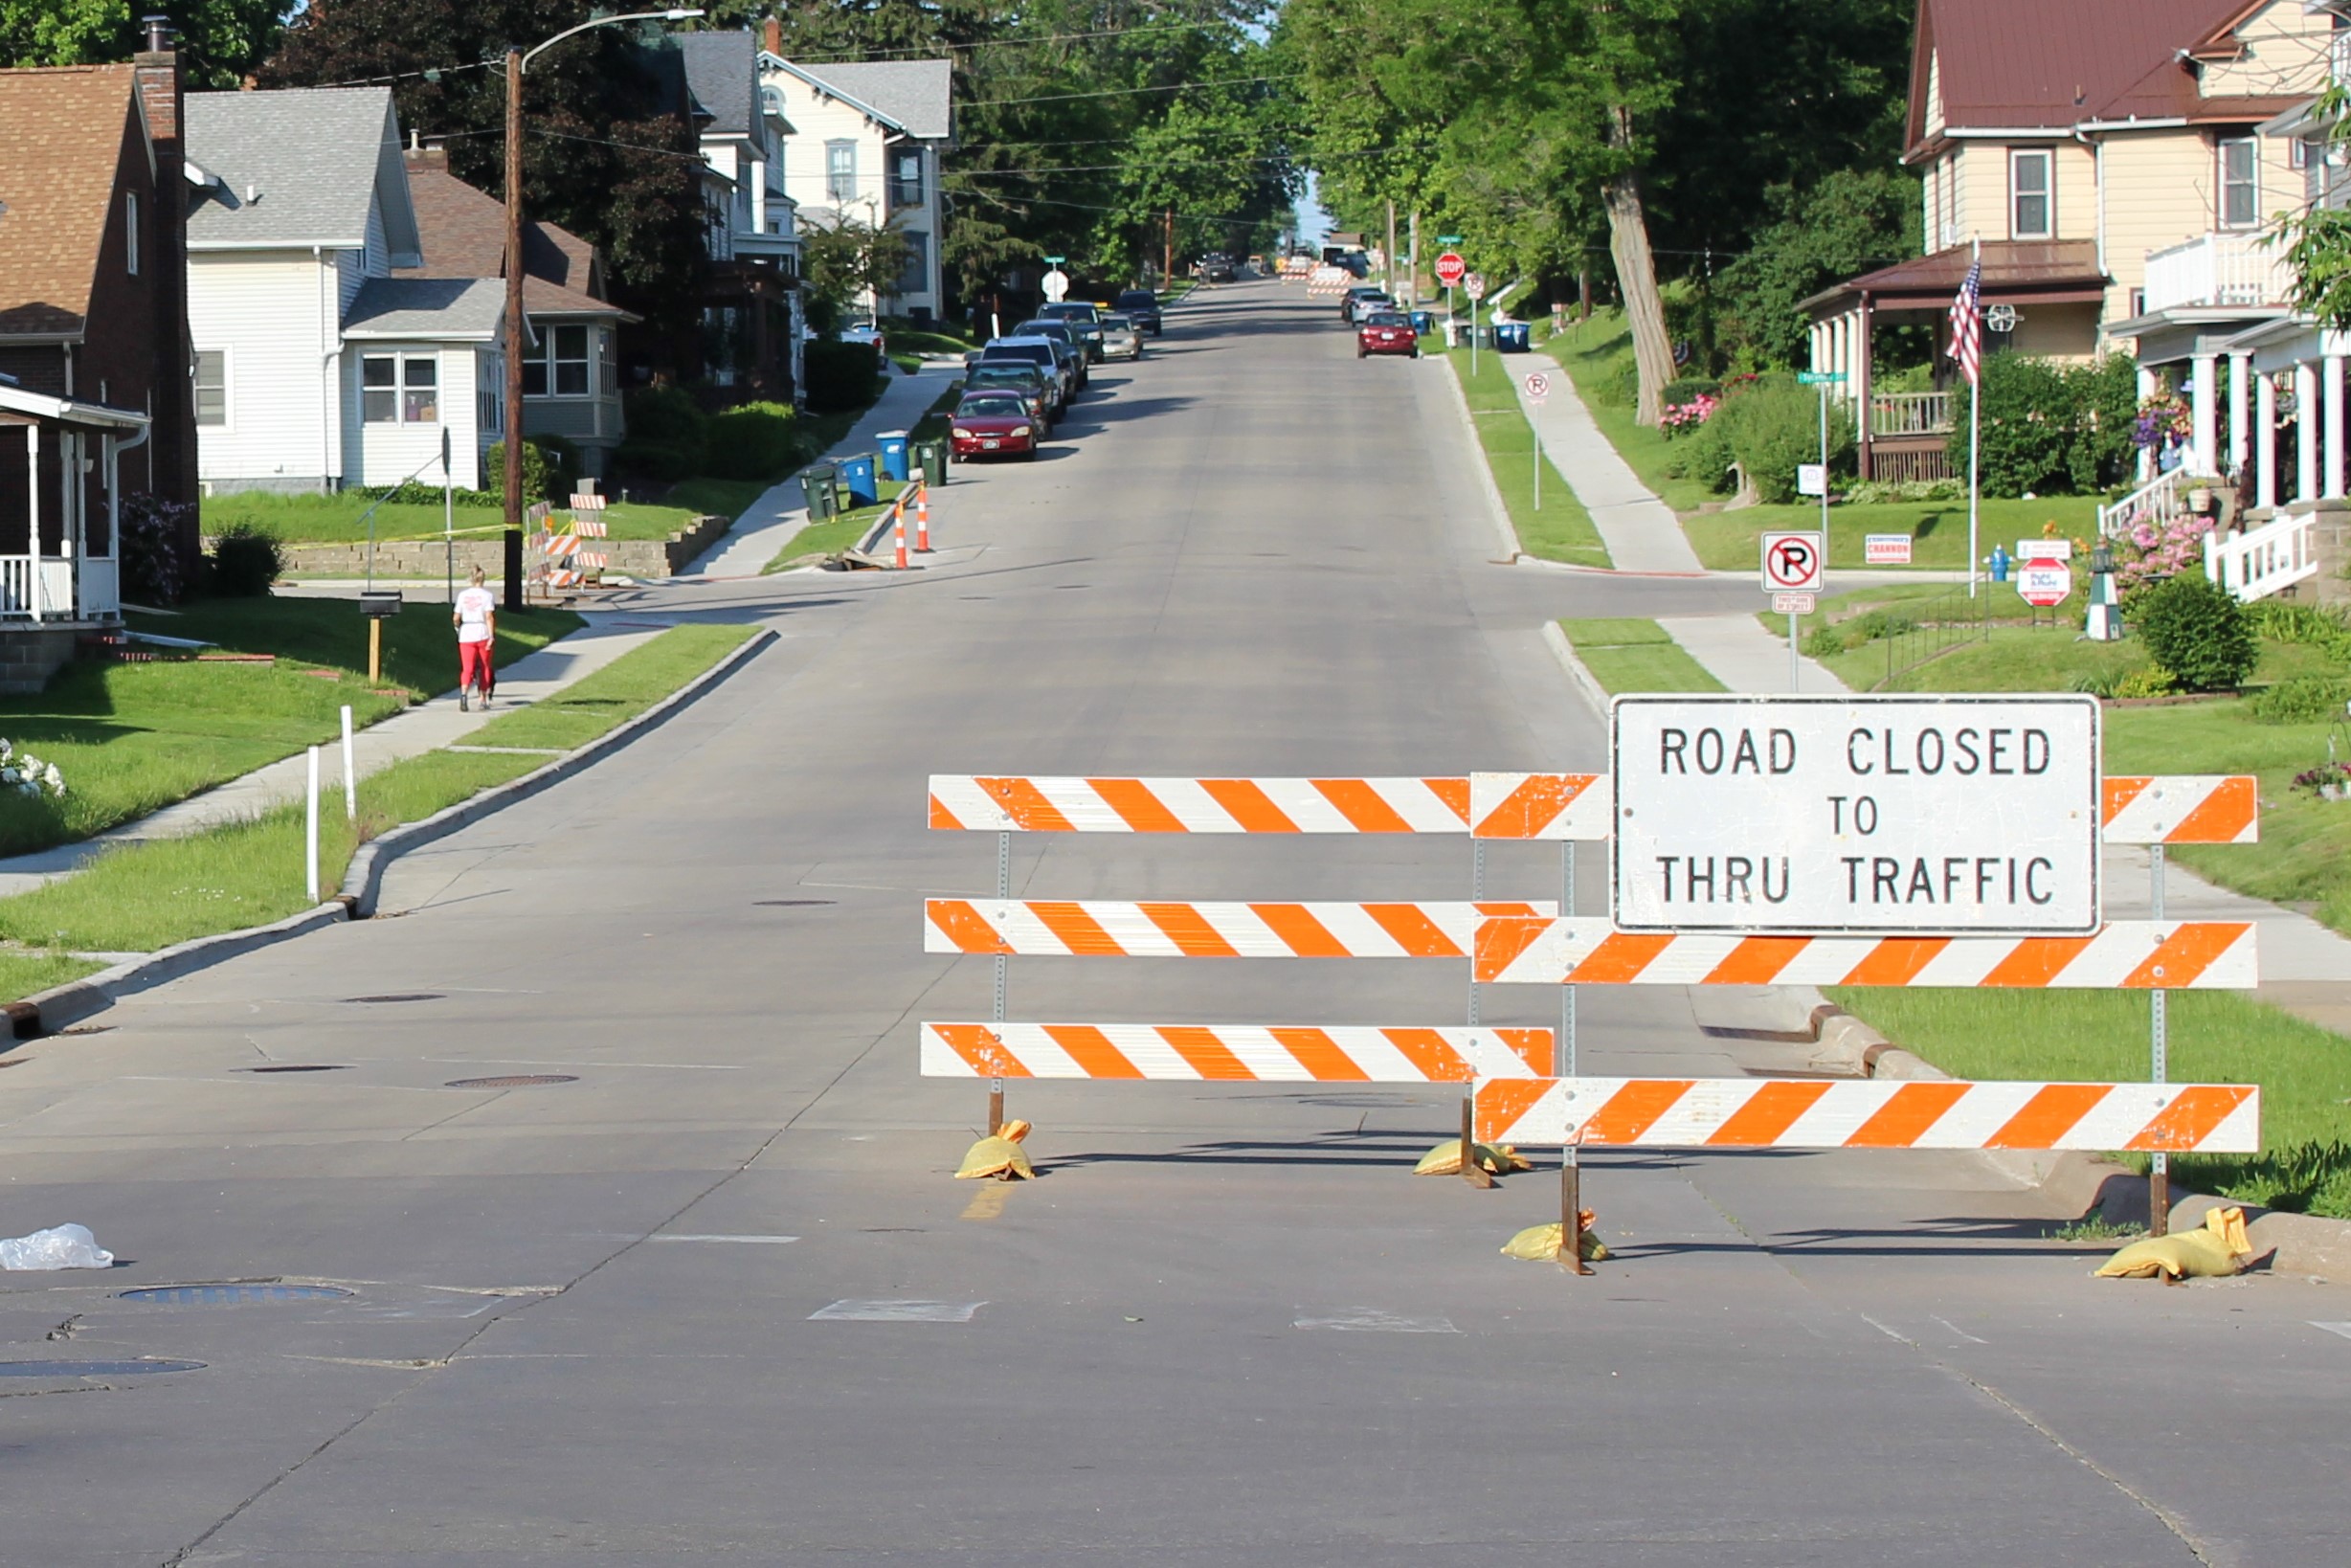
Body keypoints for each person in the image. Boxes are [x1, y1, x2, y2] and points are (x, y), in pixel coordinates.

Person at [452, 565, 497, 711]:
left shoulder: (462, 595)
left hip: (466, 633)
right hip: (482, 631)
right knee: (484, 667)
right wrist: (491, 636)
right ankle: (483, 698)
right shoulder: (487, 596)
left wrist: (458, 627)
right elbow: (489, 616)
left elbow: (456, 617)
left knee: (467, 668)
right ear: (483, 579)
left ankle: (464, 694)